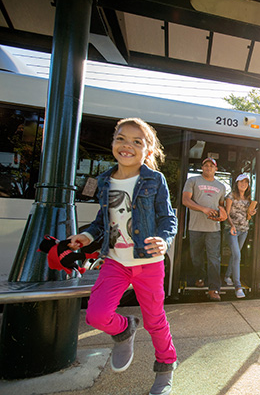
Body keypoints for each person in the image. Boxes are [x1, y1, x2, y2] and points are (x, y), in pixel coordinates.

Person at [68, 117, 178, 395]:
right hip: (115, 261)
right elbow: (100, 222)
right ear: (113, 143)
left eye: (136, 142)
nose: (127, 145)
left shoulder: (155, 179)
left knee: (155, 320)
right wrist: (87, 237)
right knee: (96, 315)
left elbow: (168, 219)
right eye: (121, 139)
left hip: (148, 264)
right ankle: (124, 329)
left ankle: (166, 366)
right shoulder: (104, 180)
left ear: (148, 151)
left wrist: (164, 241)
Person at [182, 157, 227, 301]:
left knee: (214, 259)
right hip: (195, 227)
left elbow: (221, 205)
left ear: (216, 169)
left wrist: (222, 214)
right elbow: (185, 200)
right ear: (202, 167)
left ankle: (214, 289)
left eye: (211, 166)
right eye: (206, 165)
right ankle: (200, 277)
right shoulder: (192, 181)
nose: (208, 167)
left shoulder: (221, 186)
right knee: (196, 258)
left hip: (213, 229)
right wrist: (204, 209)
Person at [223, 173, 257, 298]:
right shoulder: (230, 196)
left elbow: (247, 217)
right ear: (237, 183)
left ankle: (227, 276)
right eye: (241, 182)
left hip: (244, 230)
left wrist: (251, 213)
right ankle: (238, 286)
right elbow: (226, 214)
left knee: (235, 255)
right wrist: (231, 226)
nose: (243, 184)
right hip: (231, 230)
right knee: (237, 255)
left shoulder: (249, 199)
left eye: (246, 182)